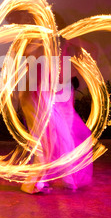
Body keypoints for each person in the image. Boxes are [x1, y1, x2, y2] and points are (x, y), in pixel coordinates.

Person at [19, 38, 93, 194]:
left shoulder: (56, 49)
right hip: (40, 100)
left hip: (50, 99)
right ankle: (38, 182)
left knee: (60, 139)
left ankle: (64, 179)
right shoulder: (38, 50)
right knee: (47, 142)